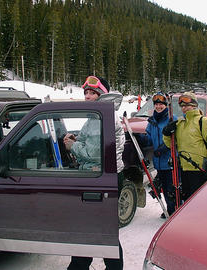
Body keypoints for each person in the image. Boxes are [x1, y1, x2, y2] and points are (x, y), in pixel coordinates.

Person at [64, 75, 124, 270]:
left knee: (98, 228)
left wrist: (73, 146)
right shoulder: (96, 114)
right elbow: (89, 141)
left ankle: (81, 265)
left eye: (92, 93)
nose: (88, 97)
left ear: (101, 95)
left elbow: (94, 153)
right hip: (100, 176)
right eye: (86, 93)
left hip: (102, 177)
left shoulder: (103, 116)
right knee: (99, 228)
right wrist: (77, 140)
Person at [162, 92, 207, 202]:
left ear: (194, 105)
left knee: (200, 200)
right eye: (182, 106)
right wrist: (166, 134)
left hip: (199, 170)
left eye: (187, 106)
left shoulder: (203, 121)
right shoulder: (180, 124)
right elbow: (170, 145)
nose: (184, 109)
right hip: (184, 169)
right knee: (188, 200)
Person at [137, 92, 177, 218]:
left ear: (166, 105)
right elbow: (149, 139)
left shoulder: (172, 119)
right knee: (164, 189)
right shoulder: (152, 121)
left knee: (173, 189)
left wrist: (163, 149)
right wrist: (140, 137)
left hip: (170, 161)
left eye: (161, 104)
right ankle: (170, 210)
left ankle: (176, 211)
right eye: (156, 104)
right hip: (158, 163)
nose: (158, 107)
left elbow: (176, 140)